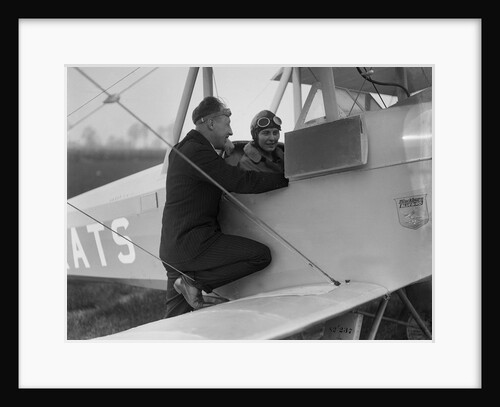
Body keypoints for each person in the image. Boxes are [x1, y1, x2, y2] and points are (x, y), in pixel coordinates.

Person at [159, 96, 289, 318]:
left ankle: (187, 283)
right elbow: (238, 181)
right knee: (260, 255)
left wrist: (219, 147)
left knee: (174, 322)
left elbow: (205, 172)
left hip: (173, 249)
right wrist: (286, 178)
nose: (230, 132)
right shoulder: (198, 152)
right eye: (227, 123)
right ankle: (194, 282)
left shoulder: (184, 148)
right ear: (211, 123)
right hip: (193, 244)